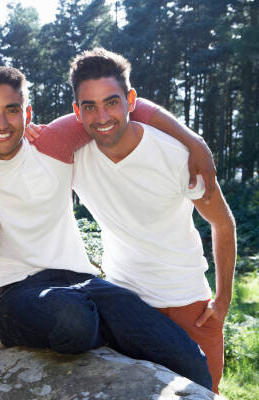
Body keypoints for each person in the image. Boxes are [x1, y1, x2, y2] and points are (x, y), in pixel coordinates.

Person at [0, 66, 213, 390]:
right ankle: (110, 335)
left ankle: (111, 334)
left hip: (87, 284)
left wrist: (194, 142)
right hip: (19, 293)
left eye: (12, 111)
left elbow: (124, 105)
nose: (1, 124)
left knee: (191, 360)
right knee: (72, 320)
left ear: (27, 113)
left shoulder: (53, 141)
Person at [62, 48, 234, 393]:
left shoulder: (175, 153)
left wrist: (224, 301)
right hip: (129, 308)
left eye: (112, 102)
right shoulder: (73, 158)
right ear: (77, 112)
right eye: (90, 106)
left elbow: (223, 223)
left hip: (192, 307)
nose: (102, 116)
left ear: (131, 100)